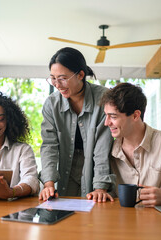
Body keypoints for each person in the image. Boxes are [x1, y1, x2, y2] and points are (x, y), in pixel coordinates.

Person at [100, 83, 161, 207]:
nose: (106, 123)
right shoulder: (107, 151)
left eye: (113, 116)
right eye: (106, 116)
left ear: (135, 116)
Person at [38, 47, 115, 202]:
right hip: (67, 165)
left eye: (62, 78)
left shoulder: (104, 98)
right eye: (53, 78)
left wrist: (100, 187)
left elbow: (102, 147)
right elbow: (49, 146)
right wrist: (48, 183)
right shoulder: (51, 104)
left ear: (80, 75)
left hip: (97, 168)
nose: (57, 85)